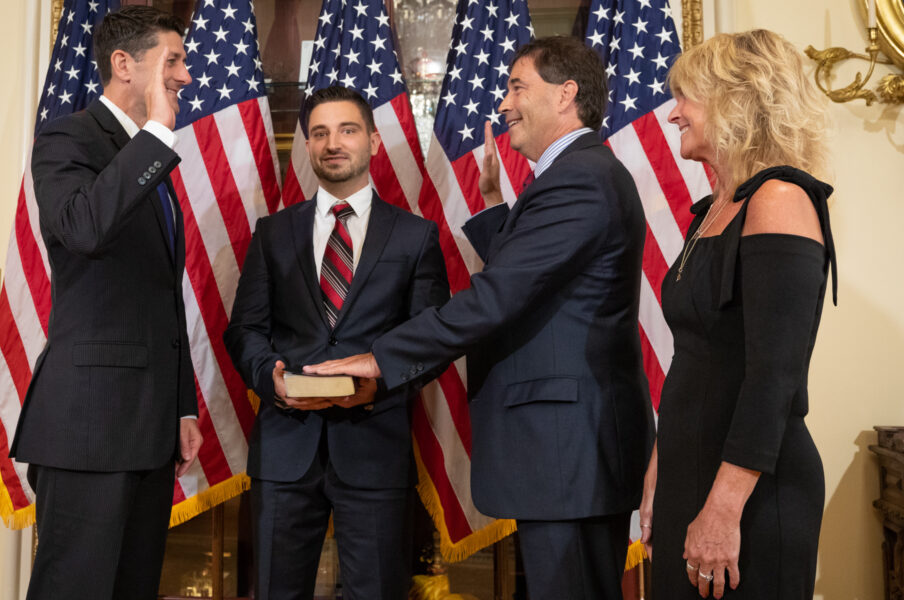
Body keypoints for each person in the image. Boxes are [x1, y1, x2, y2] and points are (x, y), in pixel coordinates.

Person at [306, 38, 654, 600]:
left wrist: (380, 356)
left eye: (518, 86)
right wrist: (497, 208)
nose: (505, 103)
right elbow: (542, 280)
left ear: (566, 94)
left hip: (569, 452)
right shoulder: (575, 174)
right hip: (566, 454)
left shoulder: (581, 176)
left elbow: (498, 298)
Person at [223, 85, 450, 600]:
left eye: (347, 130)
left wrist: (379, 387)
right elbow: (245, 330)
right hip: (285, 449)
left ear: (372, 141)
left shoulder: (416, 236)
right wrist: (272, 379)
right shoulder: (273, 233)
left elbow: (430, 337)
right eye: (319, 133)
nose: (333, 143)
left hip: (374, 446)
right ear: (306, 145)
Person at [9, 6, 203, 599]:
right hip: (88, 428)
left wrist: (182, 406)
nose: (186, 76)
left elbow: (156, 296)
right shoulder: (68, 138)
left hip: (148, 430)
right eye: (172, 61)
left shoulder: (149, 157)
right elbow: (84, 228)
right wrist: (155, 136)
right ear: (124, 65)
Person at [637, 29, 836, 599]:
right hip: (693, 473)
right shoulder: (713, 210)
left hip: (750, 491)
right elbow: (696, 357)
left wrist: (723, 509)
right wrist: (661, 466)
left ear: (738, 99)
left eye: (687, 97)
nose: (673, 114)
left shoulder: (779, 200)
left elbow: (774, 378)